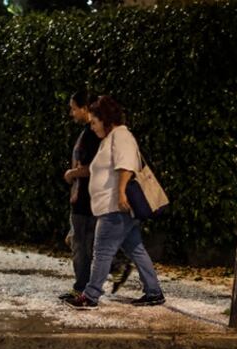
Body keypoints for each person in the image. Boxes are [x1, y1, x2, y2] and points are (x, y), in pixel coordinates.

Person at [66, 96, 165, 310]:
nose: (91, 127)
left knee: (101, 251)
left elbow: (126, 166)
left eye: (94, 122)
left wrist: (120, 194)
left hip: (115, 208)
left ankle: (91, 295)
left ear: (105, 119)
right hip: (114, 207)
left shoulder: (121, 136)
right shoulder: (112, 138)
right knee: (137, 249)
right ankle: (154, 291)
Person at [60, 90, 100, 303]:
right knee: (82, 245)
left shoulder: (91, 134)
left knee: (82, 248)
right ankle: (83, 288)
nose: (71, 113)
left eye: (74, 108)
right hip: (81, 199)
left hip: (86, 200)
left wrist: (72, 173)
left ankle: (83, 289)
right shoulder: (89, 132)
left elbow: (93, 167)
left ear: (85, 108)